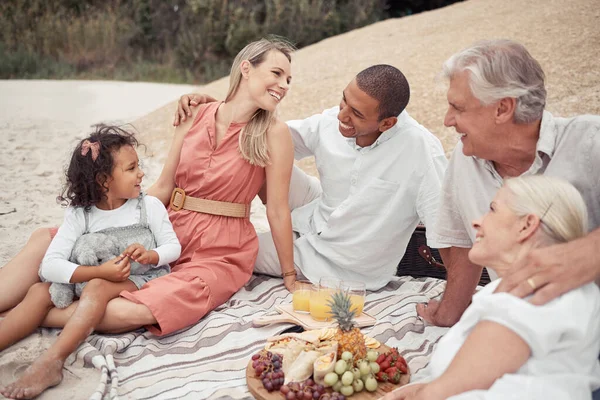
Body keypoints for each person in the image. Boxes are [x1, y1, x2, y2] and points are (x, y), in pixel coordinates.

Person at [0, 37, 296, 396]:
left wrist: (291, 276)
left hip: (220, 250)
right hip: (166, 222)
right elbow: (163, 187)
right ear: (246, 68)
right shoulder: (197, 112)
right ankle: (26, 302)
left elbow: (277, 209)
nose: (283, 85)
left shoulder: (274, 133)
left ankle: (34, 307)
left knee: (134, 312)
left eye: (288, 80)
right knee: (45, 239)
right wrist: (93, 221)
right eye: (276, 73)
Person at [173, 64, 448, 290]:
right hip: (317, 209)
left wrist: (448, 307)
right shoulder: (333, 120)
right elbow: (268, 132)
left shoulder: (422, 153)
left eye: (356, 114)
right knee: (260, 145)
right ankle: (205, 222)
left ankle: (208, 239)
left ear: (387, 123)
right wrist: (217, 108)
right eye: (344, 100)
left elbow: (449, 233)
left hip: (339, 262)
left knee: (232, 251)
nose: (342, 115)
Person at [418, 39, 600, 327]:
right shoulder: (465, 159)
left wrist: (592, 250)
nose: (447, 120)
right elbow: (465, 247)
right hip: (520, 331)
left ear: (502, 108)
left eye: (457, 107)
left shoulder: (590, 141)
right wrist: (448, 313)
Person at [0, 126, 182, 399]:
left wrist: (151, 255)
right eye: (132, 168)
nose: (141, 173)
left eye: (139, 166)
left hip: (139, 277)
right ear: (103, 180)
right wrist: (97, 270)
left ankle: (53, 360)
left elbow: (173, 247)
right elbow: (50, 264)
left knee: (97, 285)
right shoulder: (80, 215)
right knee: (40, 291)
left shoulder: (149, 207)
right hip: (92, 276)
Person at [384, 175, 600, 400]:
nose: (477, 222)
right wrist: (420, 387)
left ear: (526, 226)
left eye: (493, 209)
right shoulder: (503, 288)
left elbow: (442, 392)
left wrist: (426, 391)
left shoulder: (538, 292)